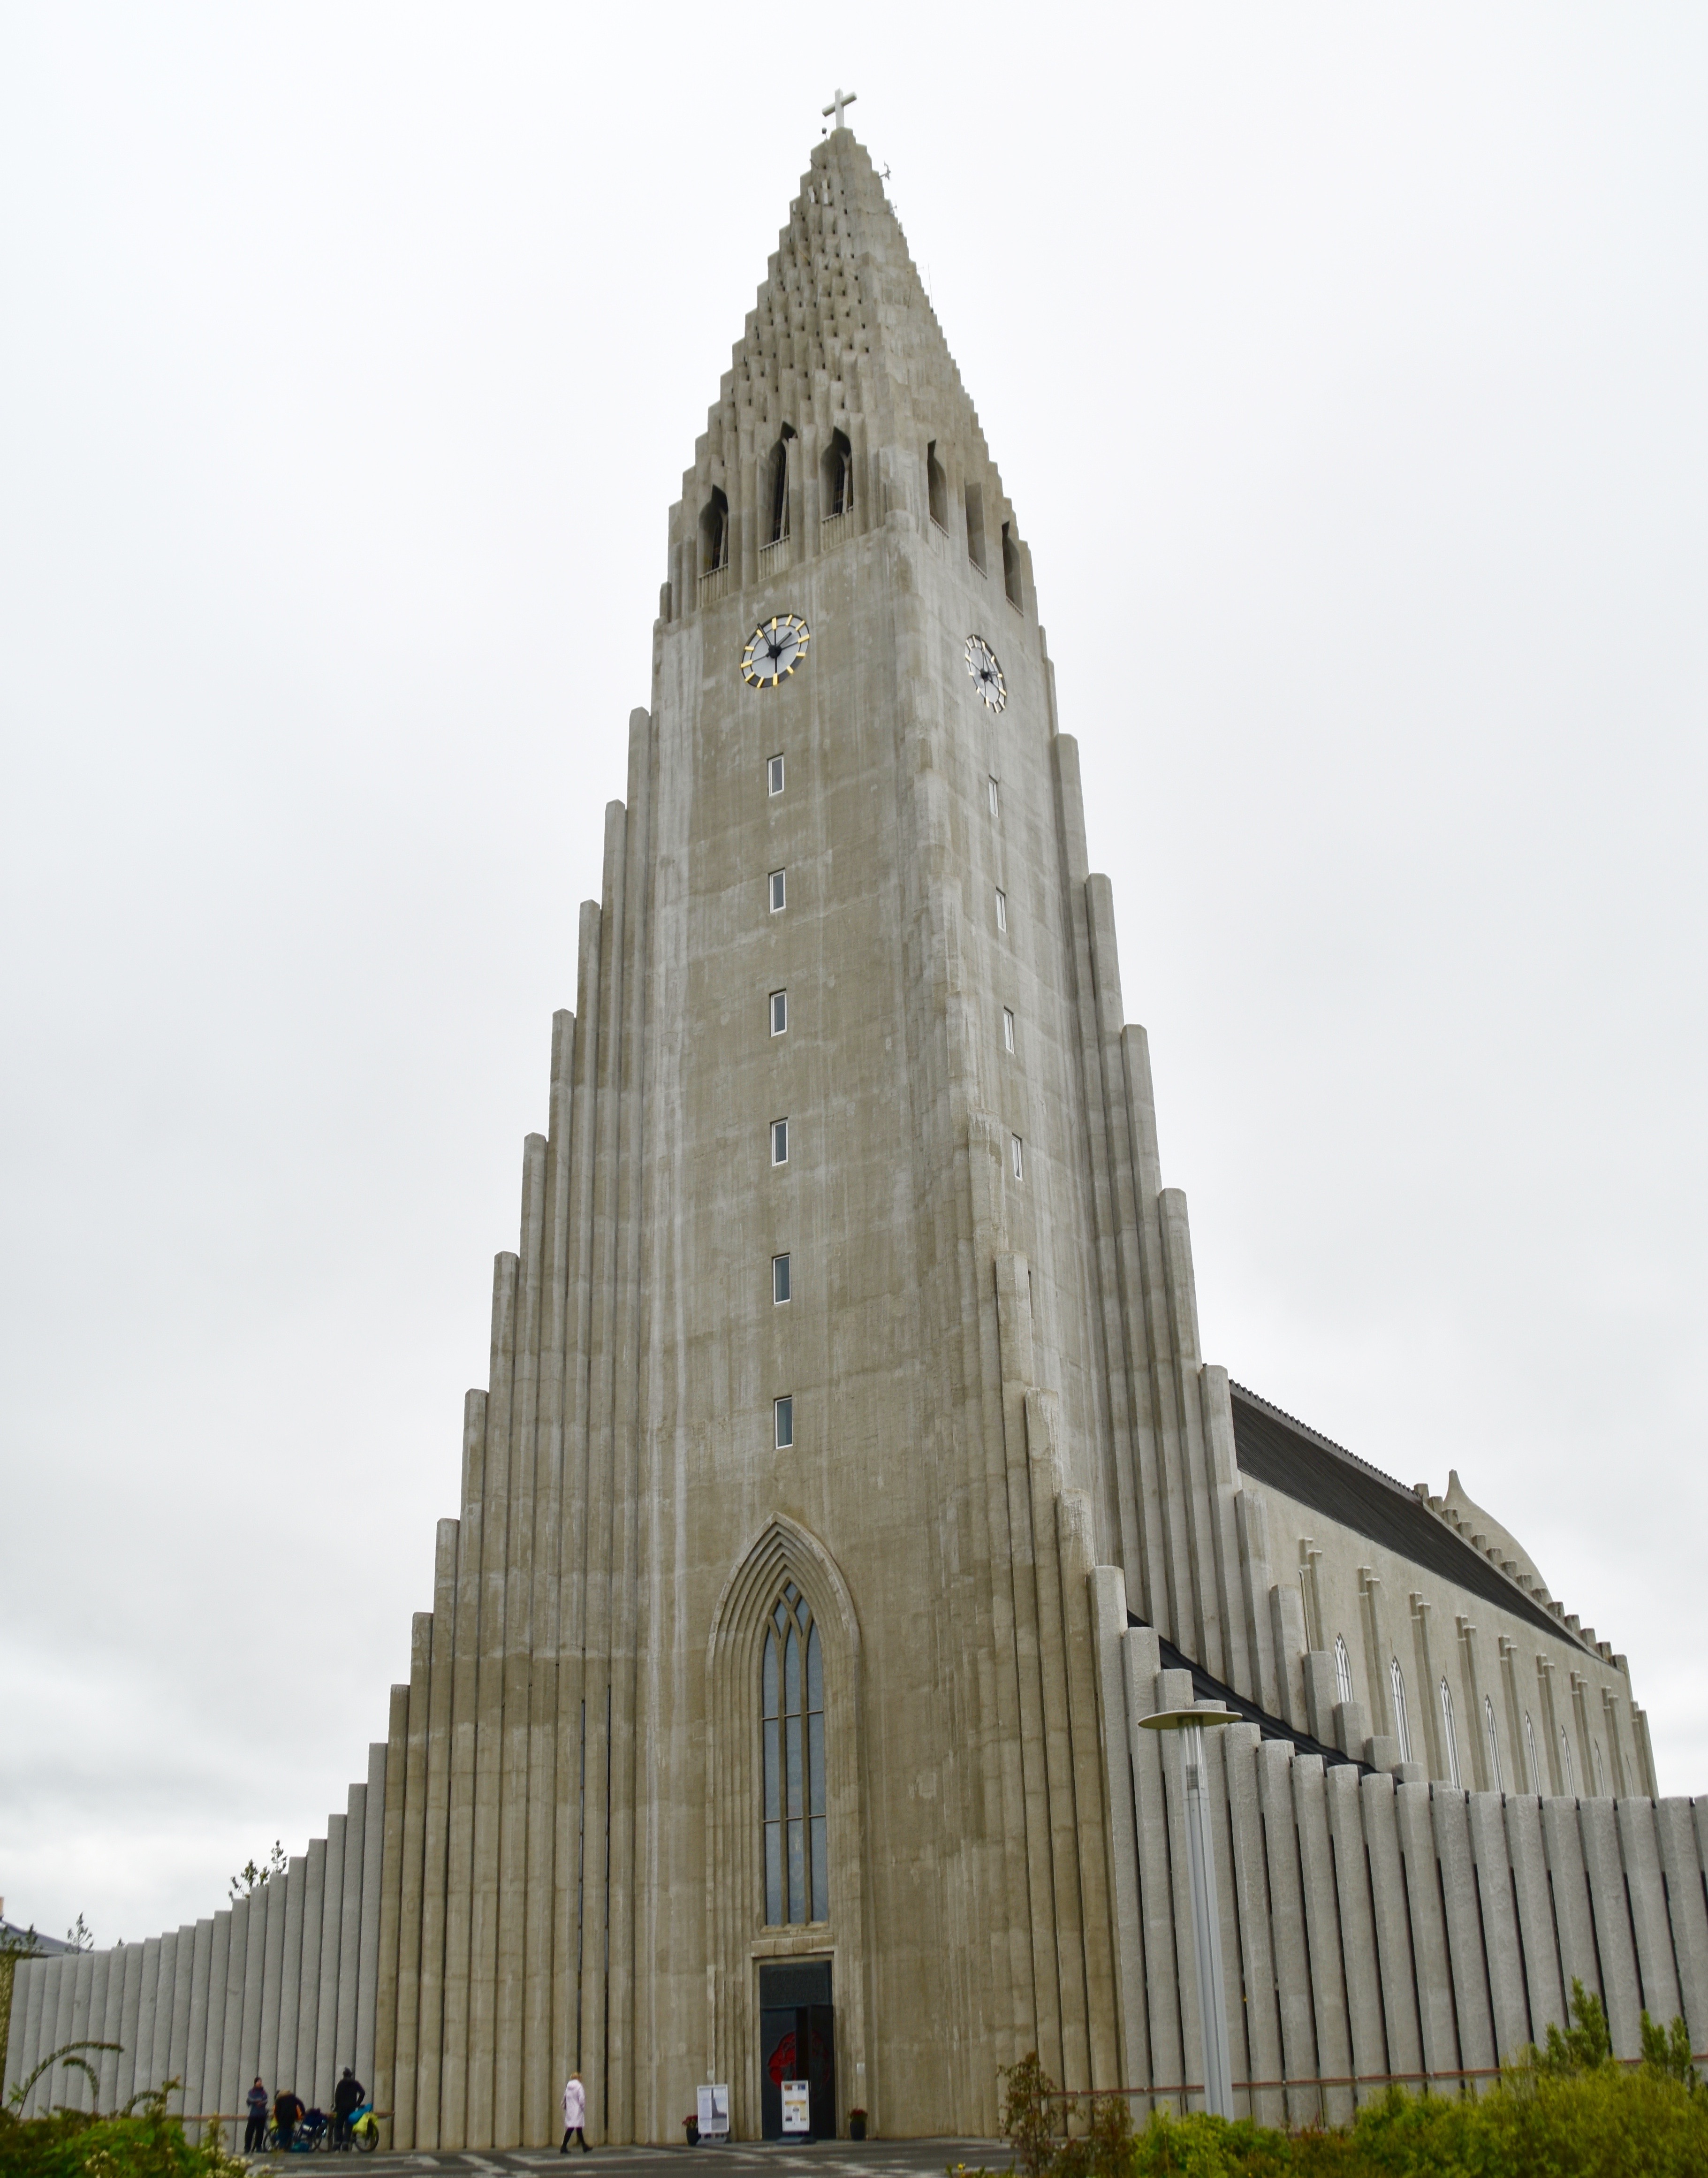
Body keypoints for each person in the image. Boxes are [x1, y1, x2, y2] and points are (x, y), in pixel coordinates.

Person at [332, 2067, 365, 2150]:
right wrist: (358, 2103)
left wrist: (336, 2107)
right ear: (351, 2075)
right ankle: (345, 2145)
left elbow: (337, 2096)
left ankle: (337, 2144)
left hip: (342, 2108)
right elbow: (363, 2093)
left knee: (338, 2125)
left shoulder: (341, 2083)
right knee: (348, 2126)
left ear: (344, 2075)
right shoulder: (355, 2083)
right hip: (351, 2107)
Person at [560, 2072, 589, 2154]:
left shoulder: (568, 2087)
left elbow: (565, 2097)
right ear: (578, 2078)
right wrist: (582, 2107)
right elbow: (582, 2098)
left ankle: (584, 2146)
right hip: (577, 2110)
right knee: (572, 2128)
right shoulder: (579, 2086)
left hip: (570, 2110)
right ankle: (563, 2147)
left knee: (577, 2128)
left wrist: (565, 2106)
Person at [274, 2087, 304, 2152]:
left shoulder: (279, 2099)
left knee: (283, 2132)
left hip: (283, 2117)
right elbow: (301, 2104)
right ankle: (289, 2146)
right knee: (289, 2130)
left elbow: (277, 2111)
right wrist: (303, 2113)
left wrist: (278, 2119)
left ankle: (282, 2147)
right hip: (292, 2117)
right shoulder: (293, 2098)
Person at [244, 2079, 269, 2153]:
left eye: (261, 2082)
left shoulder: (263, 2092)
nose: (260, 2083)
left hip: (262, 2115)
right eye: (258, 2082)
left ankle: (259, 2147)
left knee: (260, 2132)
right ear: (255, 2083)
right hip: (253, 2115)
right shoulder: (252, 2091)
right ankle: (247, 2148)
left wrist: (260, 2102)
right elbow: (250, 2099)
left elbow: (266, 2100)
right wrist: (257, 2101)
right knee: (250, 2132)